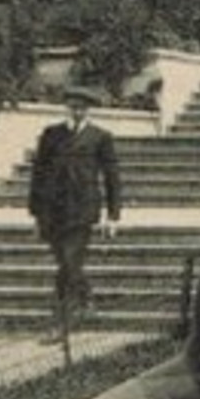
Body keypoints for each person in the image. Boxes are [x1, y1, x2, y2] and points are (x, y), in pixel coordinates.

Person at [28, 86, 120, 337]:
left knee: (69, 263)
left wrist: (112, 216)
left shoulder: (100, 137)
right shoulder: (51, 135)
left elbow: (112, 178)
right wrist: (35, 214)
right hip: (54, 211)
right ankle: (87, 298)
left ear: (89, 110)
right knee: (66, 263)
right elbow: (39, 175)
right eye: (73, 106)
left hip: (83, 210)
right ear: (66, 107)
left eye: (82, 107)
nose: (77, 111)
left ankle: (60, 323)